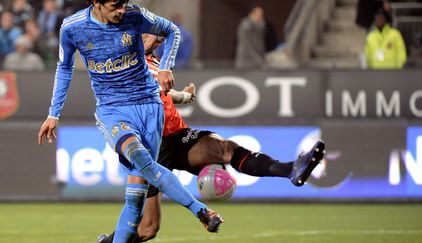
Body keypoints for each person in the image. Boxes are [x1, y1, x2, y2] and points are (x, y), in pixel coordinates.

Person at [98, 33, 326, 243]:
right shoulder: (127, 62)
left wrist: (183, 96)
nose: (157, 41)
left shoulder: (154, 60)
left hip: (177, 135)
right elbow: (149, 83)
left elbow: (161, 91)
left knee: (224, 148)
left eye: (160, 39)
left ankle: (290, 169)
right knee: (148, 229)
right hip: (150, 148)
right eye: (153, 36)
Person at [37, 1, 223, 242]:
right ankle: (200, 210)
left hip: (149, 108)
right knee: (141, 159)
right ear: (97, 3)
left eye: (123, 4)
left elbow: (172, 31)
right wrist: (54, 113)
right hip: (113, 110)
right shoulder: (73, 27)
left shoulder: (135, 15)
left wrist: (166, 67)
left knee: (135, 200)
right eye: (115, 6)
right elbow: (64, 68)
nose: (121, 11)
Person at [235, 6, 266, 70]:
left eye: (261, 15)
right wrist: (259, 61)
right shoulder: (246, 26)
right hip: (246, 63)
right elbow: (247, 46)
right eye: (258, 15)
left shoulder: (260, 25)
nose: (260, 17)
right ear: (251, 14)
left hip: (256, 62)